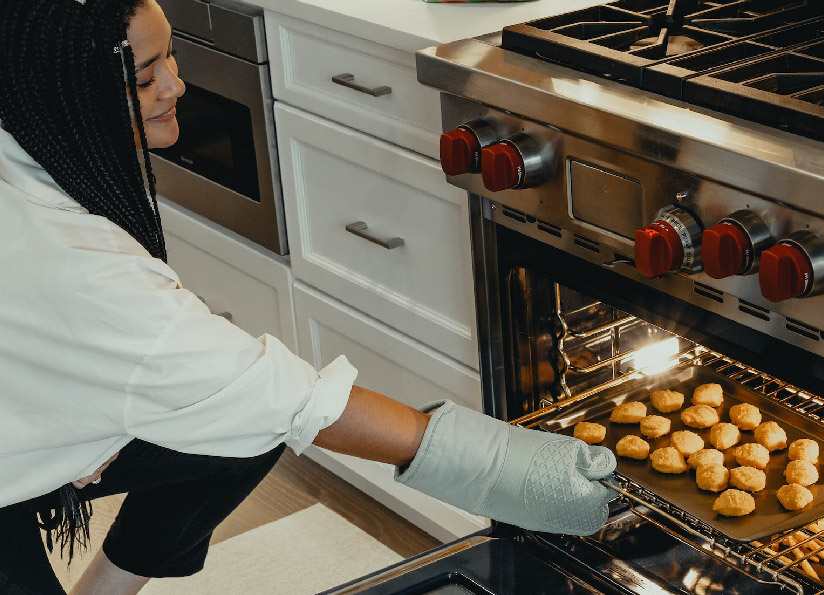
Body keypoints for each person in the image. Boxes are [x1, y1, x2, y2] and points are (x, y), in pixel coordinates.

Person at [0, 1, 617, 593]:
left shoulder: (27, 146)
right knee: (252, 408)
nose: (176, 88)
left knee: (235, 434)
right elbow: (290, 400)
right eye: (143, 78)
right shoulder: (82, 270)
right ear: (58, 92)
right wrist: (503, 466)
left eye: (172, 59)